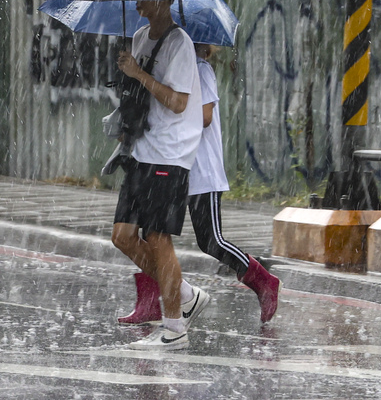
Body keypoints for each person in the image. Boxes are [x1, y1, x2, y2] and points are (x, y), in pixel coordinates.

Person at [120, 42, 282, 325]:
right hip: (171, 165)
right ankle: (150, 303)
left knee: (211, 241)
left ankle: (263, 280)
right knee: (153, 236)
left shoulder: (201, 70)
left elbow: (205, 116)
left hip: (200, 169)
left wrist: (170, 103)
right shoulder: (170, 71)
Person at [111, 0, 209, 351]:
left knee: (157, 238)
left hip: (169, 152)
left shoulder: (179, 42)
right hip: (141, 148)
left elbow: (179, 102)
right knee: (122, 236)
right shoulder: (139, 37)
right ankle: (185, 293)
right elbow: (141, 93)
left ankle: (174, 329)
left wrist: (138, 73)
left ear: (165, 0)